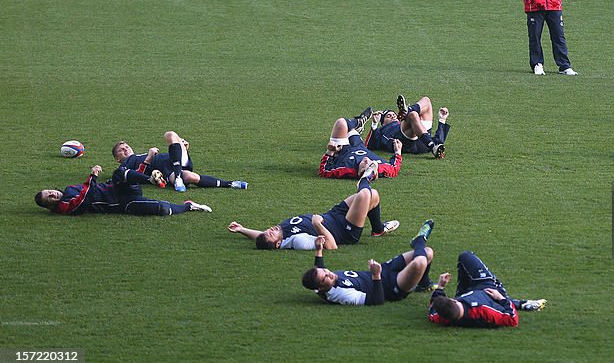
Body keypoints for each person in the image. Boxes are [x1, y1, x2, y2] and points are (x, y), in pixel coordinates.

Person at [226, 165, 398, 249]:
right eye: (271, 234)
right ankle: (365, 179)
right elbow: (331, 246)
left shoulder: (279, 232)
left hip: (334, 214)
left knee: (373, 196)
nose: (269, 230)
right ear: (279, 244)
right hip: (344, 230)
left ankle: (378, 230)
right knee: (365, 194)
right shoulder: (298, 241)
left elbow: (261, 236)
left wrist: (242, 229)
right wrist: (317, 225)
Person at [300, 220, 436, 305]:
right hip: (393, 286)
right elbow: (377, 300)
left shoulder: (322, 282)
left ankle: (423, 284)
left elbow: (318, 271)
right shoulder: (341, 294)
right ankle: (419, 240)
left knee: (428, 252)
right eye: (325, 278)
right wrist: (376, 276)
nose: (328, 273)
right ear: (321, 288)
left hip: (385, 269)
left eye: (325, 271)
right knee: (420, 262)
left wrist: (319, 250)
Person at [428, 251, 547, 328]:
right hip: (490, 292)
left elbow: (433, 308)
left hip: (468, 293)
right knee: (466, 256)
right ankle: (519, 304)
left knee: (463, 259)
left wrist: (441, 287)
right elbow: (512, 320)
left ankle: (519, 304)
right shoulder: (483, 311)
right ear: (454, 301)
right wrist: (501, 298)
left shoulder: (441, 317)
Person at [35, 164, 212, 216]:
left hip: (118, 187)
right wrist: (93, 177)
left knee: (120, 172)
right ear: (49, 206)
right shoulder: (64, 207)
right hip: (121, 202)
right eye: (48, 197)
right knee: (163, 209)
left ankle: (150, 179)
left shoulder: (68, 189)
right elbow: (83, 201)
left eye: (49, 191)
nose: (52, 194)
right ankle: (189, 206)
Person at [112, 131, 247, 193]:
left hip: (174, 159)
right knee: (191, 177)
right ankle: (231, 184)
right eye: (120, 150)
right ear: (117, 159)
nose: (125, 148)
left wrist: (182, 147)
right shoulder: (126, 164)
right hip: (166, 171)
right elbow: (134, 176)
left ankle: (178, 177)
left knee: (170, 135)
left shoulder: (137, 155)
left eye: (126, 146)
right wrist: (148, 159)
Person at [319, 109, 403, 179]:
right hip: (358, 145)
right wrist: (398, 151)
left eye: (364, 166)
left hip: (342, 148)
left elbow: (324, 171)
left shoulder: (347, 169)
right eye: (370, 164)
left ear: (358, 173)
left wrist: (330, 151)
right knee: (349, 129)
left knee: (341, 123)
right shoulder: (382, 168)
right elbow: (395, 168)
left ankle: (359, 122)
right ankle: (357, 128)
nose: (366, 160)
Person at [366, 95, 450, 159]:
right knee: (413, 114)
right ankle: (407, 111)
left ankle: (407, 111)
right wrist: (374, 123)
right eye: (388, 116)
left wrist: (442, 120)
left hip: (423, 143)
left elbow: (438, 141)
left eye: (394, 115)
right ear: (383, 123)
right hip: (405, 141)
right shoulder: (383, 130)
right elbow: (369, 145)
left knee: (426, 100)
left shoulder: (401, 122)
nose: (392, 116)